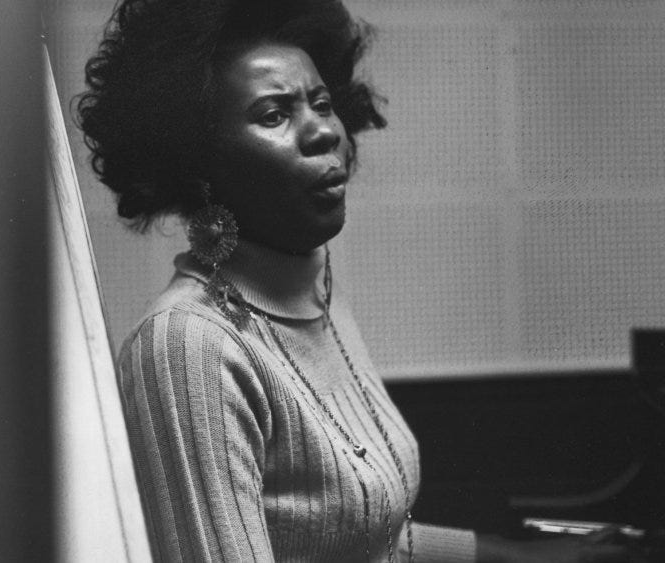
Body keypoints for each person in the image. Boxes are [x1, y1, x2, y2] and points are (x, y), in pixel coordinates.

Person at [77, 0, 640, 561]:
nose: (323, 131)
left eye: (322, 104)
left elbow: (359, 539)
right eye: (274, 114)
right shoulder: (186, 346)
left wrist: (518, 555)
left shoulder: (314, 293)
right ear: (196, 161)